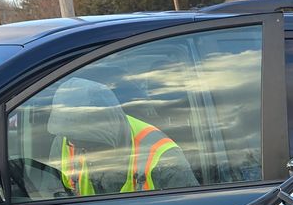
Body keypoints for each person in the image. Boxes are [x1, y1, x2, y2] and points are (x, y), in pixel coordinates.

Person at [46, 76, 198, 195]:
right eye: (72, 139)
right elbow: (53, 195)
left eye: (86, 140)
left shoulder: (162, 156)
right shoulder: (64, 141)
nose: (76, 145)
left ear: (106, 130)